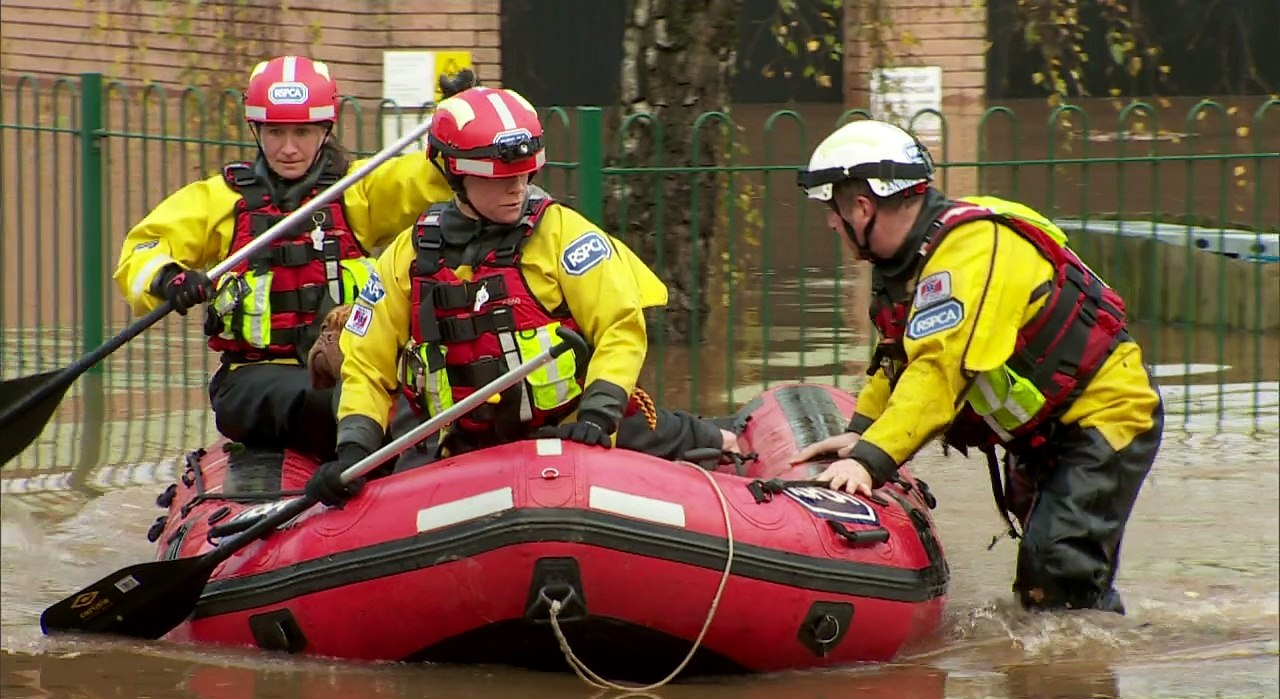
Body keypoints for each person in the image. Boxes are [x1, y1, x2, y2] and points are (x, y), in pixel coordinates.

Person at [789, 119, 1163, 614]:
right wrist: (862, 430)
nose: (830, 223)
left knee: (1056, 567)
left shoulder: (969, 253)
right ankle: (1070, 659)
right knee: (1048, 578)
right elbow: (898, 357)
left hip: (1107, 417)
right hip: (1042, 433)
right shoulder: (911, 261)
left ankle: (1080, 679)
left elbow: (939, 374)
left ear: (862, 207)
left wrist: (870, 461)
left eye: (832, 209)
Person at [305, 85, 736, 506]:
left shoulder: (563, 235)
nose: (516, 188)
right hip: (459, 440)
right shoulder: (409, 254)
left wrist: (597, 415)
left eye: (524, 175)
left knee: (664, 433)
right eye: (499, 180)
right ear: (456, 175)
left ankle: (725, 440)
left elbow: (619, 327)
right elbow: (367, 362)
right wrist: (355, 450)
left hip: (567, 426)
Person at [113, 56, 467, 460]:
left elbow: (428, 179)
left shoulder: (357, 190)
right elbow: (142, 250)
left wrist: (455, 126)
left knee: (407, 396)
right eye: (275, 132)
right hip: (253, 379)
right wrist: (168, 279)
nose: (288, 148)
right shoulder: (220, 199)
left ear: (325, 130)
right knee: (329, 401)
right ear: (257, 130)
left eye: (302, 132)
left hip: (341, 361)